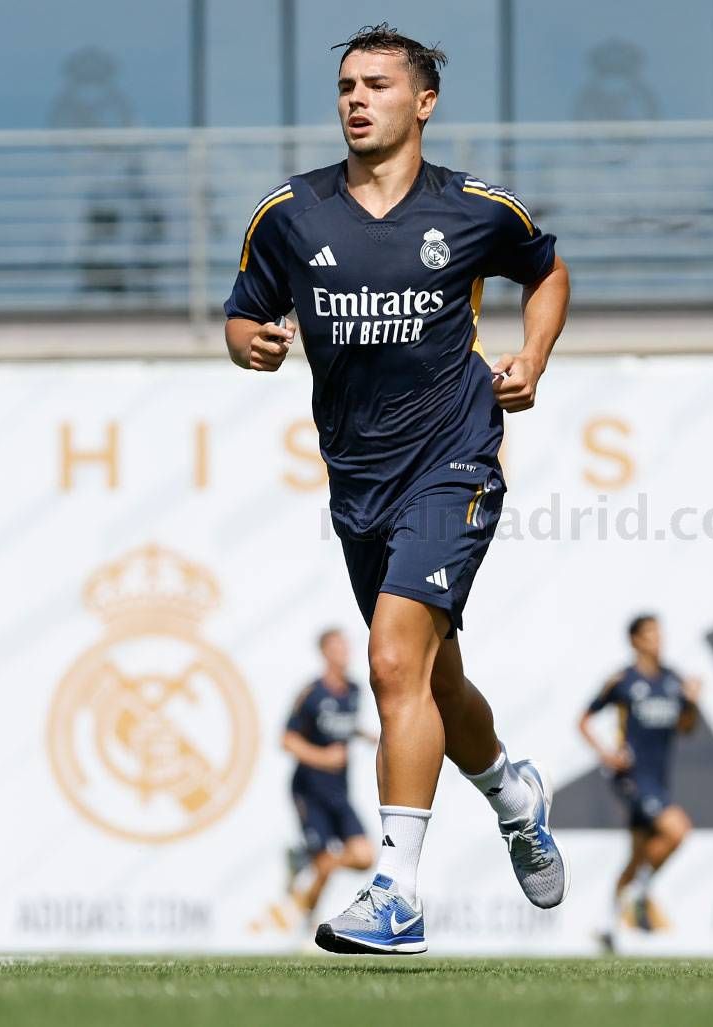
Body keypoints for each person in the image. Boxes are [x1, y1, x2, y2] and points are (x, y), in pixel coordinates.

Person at [224, 24, 571, 955]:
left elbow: (546, 272)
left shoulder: (473, 211)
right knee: (429, 676)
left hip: (453, 459)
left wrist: (533, 355)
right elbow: (245, 309)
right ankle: (513, 792)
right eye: (345, 84)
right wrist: (247, 343)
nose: (355, 98)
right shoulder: (291, 214)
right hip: (357, 482)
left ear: (423, 103)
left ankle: (397, 892)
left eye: (377, 84)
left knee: (389, 662)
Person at [579, 614, 700, 949]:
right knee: (678, 830)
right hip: (632, 778)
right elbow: (584, 720)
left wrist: (692, 701)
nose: (656, 640)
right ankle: (641, 892)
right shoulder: (623, 680)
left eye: (659, 633)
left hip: (659, 778)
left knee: (636, 856)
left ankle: (607, 926)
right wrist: (606, 754)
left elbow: (687, 728)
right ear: (634, 640)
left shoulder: (673, 680)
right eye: (649, 634)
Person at [282, 629, 376, 929]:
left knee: (363, 857)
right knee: (324, 866)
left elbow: (344, 725)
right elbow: (287, 740)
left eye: (346, 647)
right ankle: (310, 925)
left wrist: (365, 735)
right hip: (310, 791)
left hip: (339, 791)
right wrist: (324, 759)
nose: (344, 653)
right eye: (337, 648)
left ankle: (304, 863)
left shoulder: (354, 690)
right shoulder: (312, 693)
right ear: (324, 652)